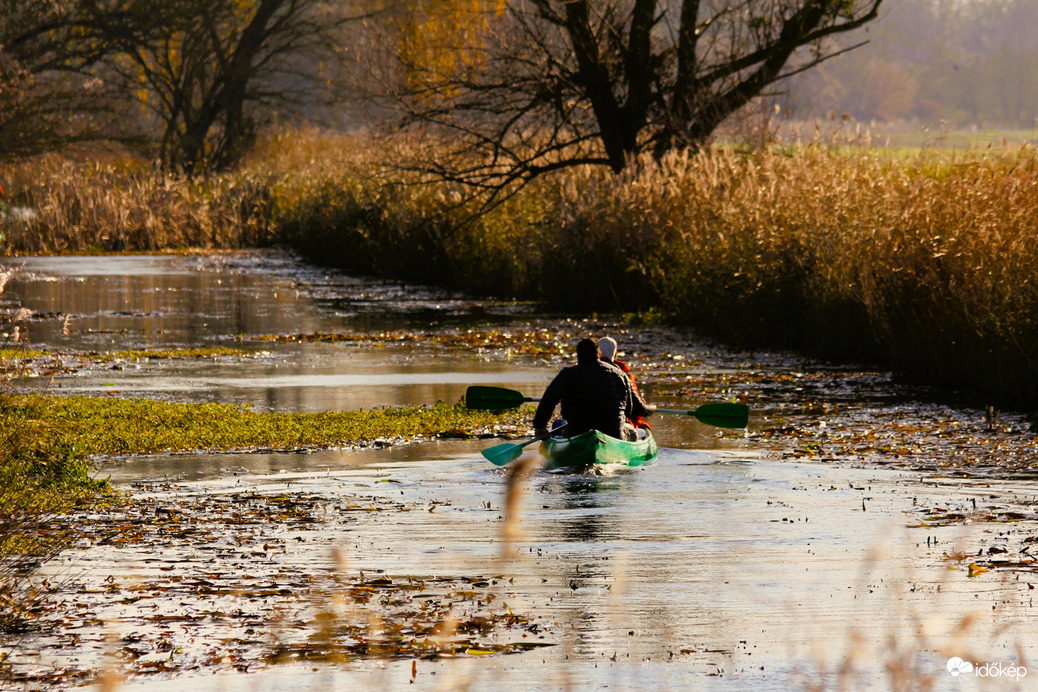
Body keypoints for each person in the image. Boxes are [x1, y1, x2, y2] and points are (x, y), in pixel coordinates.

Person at [533, 338, 653, 441]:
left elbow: (549, 398)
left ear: (578, 356)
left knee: (558, 426)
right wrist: (653, 408)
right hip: (615, 435)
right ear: (599, 354)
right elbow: (633, 409)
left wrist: (540, 427)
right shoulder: (621, 375)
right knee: (637, 432)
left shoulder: (568, 374)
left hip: (577, 432)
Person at [599, 336, 649, 429]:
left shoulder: (581, 372)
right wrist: (649, 407)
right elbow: (635, 410)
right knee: (642, 430)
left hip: (587, 424)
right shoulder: (625, 376)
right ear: (615, 354)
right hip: (617, 426)